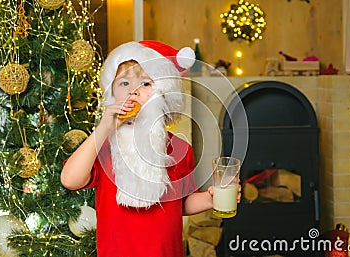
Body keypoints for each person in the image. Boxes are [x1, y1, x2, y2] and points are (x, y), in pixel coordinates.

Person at [61, 40, 241, 257]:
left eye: (145, 84)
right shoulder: (105, 145)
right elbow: (70, 180)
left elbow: (180, 204)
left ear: (163, 94)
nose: (133, 92)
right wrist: (103, 128)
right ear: (112, 93)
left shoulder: (179, 148)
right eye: (124, 84)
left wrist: (210, 199)